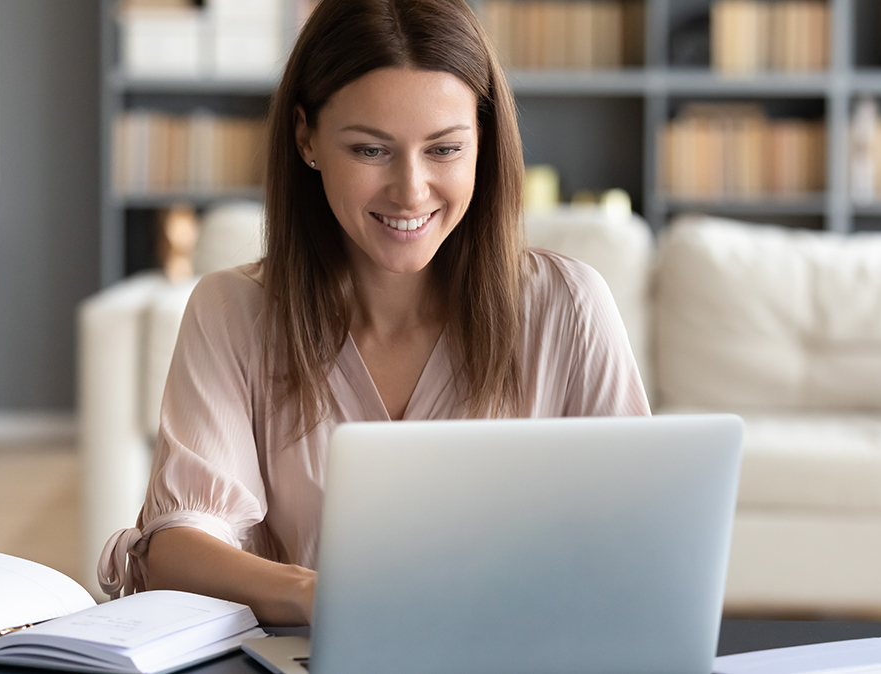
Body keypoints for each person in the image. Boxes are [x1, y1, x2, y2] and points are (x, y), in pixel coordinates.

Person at [98, 0, 650, 625]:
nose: (411, 191)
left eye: (444, 150)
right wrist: (320, 595)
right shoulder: (231, 311)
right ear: (307, 139)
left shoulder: (570, 307)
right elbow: (177, 546)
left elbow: (639, 543)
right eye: (370, 151)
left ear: (484, 142)